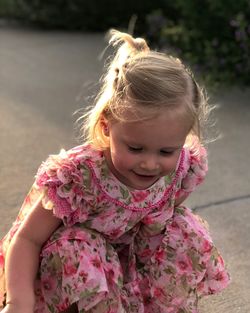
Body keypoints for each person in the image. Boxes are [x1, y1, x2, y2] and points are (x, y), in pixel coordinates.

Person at [0, 29, 230, 313]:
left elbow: (162, 214)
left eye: (166, 151)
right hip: (74, 270)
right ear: (107, 127)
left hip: (127, 263)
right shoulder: (79, 177)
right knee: (79, 246)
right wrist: (18, 301)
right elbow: (27, 238)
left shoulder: (182, 167)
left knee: (183, 228)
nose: (149, 163)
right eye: (135, 148)